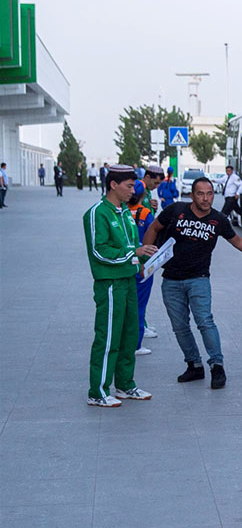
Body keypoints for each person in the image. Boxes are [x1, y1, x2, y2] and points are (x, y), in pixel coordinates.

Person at [143, 177, 242, 389]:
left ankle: (217, 365)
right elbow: (153, 228)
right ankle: (194, 365)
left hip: (199, 279)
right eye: (201, 194)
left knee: (205, 321)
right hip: (171, 279)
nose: (206, 199)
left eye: (210, 194)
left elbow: (239, 241)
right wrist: (147, 255)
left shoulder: (219, 219)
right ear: (192, 195)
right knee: (179, 326)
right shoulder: (176, 210)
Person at [83, 164, 158, 407]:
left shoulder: (125, 211)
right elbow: (99, 251)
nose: (132, 190)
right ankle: (98, 391)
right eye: (128, 186)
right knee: (108, 337)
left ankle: (125, 385)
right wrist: (133, 252)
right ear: (113, 185)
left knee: (128, 334)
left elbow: (133, 245)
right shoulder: (97, 213)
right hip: (110, 283)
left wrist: (150, 256)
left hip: (129, 279)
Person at [127, 181, 157, 356]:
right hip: (143, 263)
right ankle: (136, 343)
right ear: (143, 196)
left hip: (127, 262)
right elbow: (154, 236)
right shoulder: (145, 214)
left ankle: (127, 338)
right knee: (140, 304)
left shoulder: (121, 213)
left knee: (129, 303)